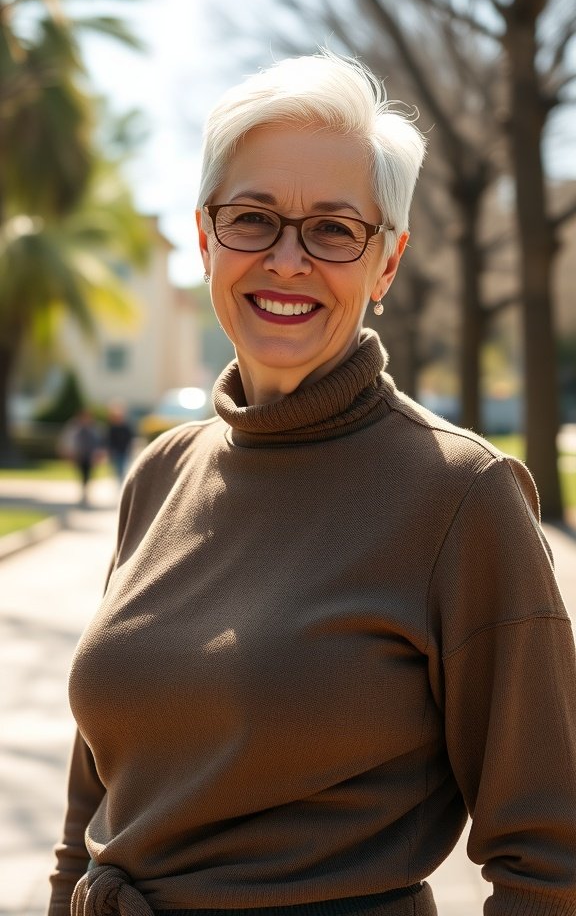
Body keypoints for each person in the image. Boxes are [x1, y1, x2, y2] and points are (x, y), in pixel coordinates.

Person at [48, 51, 576, 916]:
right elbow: (94, 798)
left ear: (388, 264)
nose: (288, 260)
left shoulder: (461, 495)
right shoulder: (161, 472)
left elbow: (550, 860)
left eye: (334, 229)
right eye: (253, 218)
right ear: (205, 238)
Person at [59, 408, 103, 506]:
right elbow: (68, 440)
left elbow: (99, 442)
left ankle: (86, 490)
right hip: (79, 455)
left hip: (90, 456)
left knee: (89, 474)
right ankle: (84, 490)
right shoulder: (75, 428)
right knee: (81, 473)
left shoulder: (94, 428)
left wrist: (98, 454)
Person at [104, 402, 135, 486]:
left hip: (124, 450)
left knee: (122, 467)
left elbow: (130, 438)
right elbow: (109, 440)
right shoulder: (112, 428)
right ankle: (120, 482)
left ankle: (122, 482)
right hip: (115, 451)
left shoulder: (126, 427)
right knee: (117, 468)